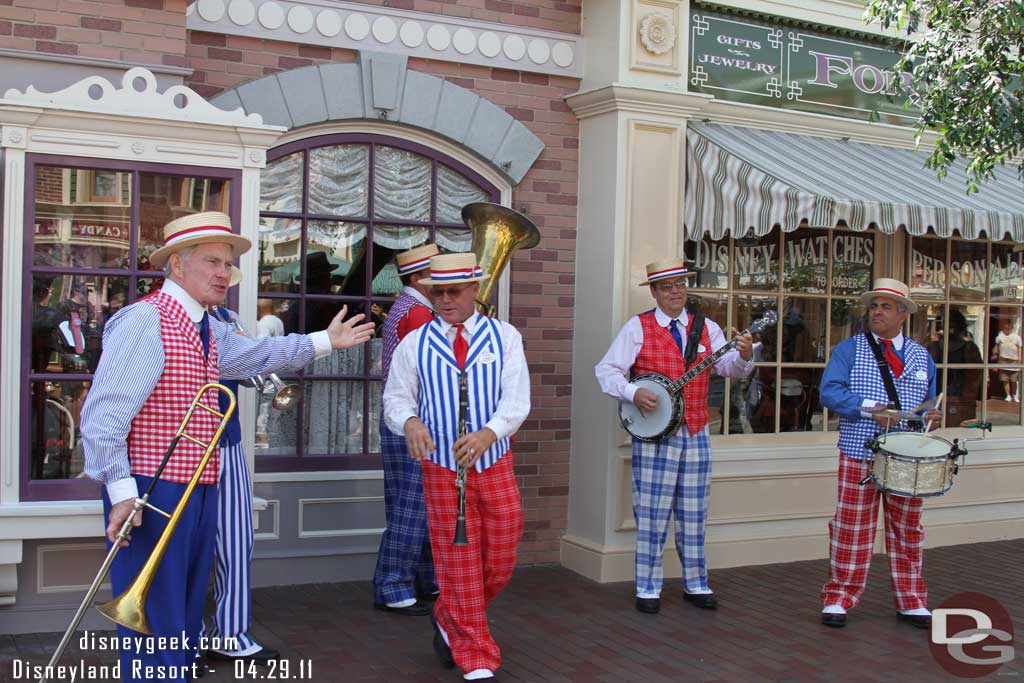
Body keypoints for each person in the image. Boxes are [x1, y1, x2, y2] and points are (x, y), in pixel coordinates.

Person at [81, 211, 375, 682]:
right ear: (177, 265)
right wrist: (120, 491)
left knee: (183, 611)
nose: (224, 273)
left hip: (200, 484)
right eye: (213, 262)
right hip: (152, 491)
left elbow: (256, 355)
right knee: (155, 615)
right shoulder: (144, 320)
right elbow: (104, 416)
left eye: (228, 265)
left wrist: (324, 341)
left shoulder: (208, 326)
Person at [383, 252, 530, 681]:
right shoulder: (415, 343)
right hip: (441, 468)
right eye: (437, 292)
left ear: (474, 291)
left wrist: (490, 432)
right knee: (458, 559)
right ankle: (476, 654)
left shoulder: (505, 337)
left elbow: (517, 401)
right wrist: (408, 422)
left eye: (453, 291)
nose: (444, 300)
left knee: (501, 556)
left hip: (495, 462)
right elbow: (396, 399)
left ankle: (449, 615)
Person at [595, 257, 754, 614]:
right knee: (651, 512)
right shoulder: (638, 328)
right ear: (654, 292)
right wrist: (633, 393)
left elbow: (728, 369)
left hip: (696, 429)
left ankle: (696, 583)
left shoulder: (707, 327)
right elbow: (606, 370)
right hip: (655, 435)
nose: (676, 291)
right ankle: (648, 587)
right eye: (667, 286)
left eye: (681, 284)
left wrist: (743, 357)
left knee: (694, 511)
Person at [818, 278, 942, 629]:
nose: (877, 311)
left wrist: (932, 412)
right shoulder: (850, 349)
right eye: (874, 305)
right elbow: (830, 392)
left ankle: (912, 600)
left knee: (908, 529)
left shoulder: (922, 357)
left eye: (886, 306)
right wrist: (871, 408)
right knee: (852, 527)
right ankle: (839, 597)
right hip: (860, 451)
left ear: (903, 314)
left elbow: (928, 403)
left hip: (907, 456)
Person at [373, 243, 440, 616]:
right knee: (412, 507)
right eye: (435, 273)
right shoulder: (417, 313)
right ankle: (394, 584)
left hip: (405, 420)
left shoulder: (410, 307)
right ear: (418, 277)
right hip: (412, 422)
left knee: (417, 504)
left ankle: (422, 579)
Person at [992, 320, 1022, 402]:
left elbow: (1019, 348)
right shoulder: (1000, 336)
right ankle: (1008, 395)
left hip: (1014, 361)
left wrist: (1019, 360)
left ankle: (1015, 396)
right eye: (1005, 328)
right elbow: (996, 346)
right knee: (1005, 379)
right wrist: (995, 355)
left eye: (1009, 328)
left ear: (1012, 328)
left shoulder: (1017, 337)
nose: (1007, 330)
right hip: (1003, 360)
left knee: (1014, 380)